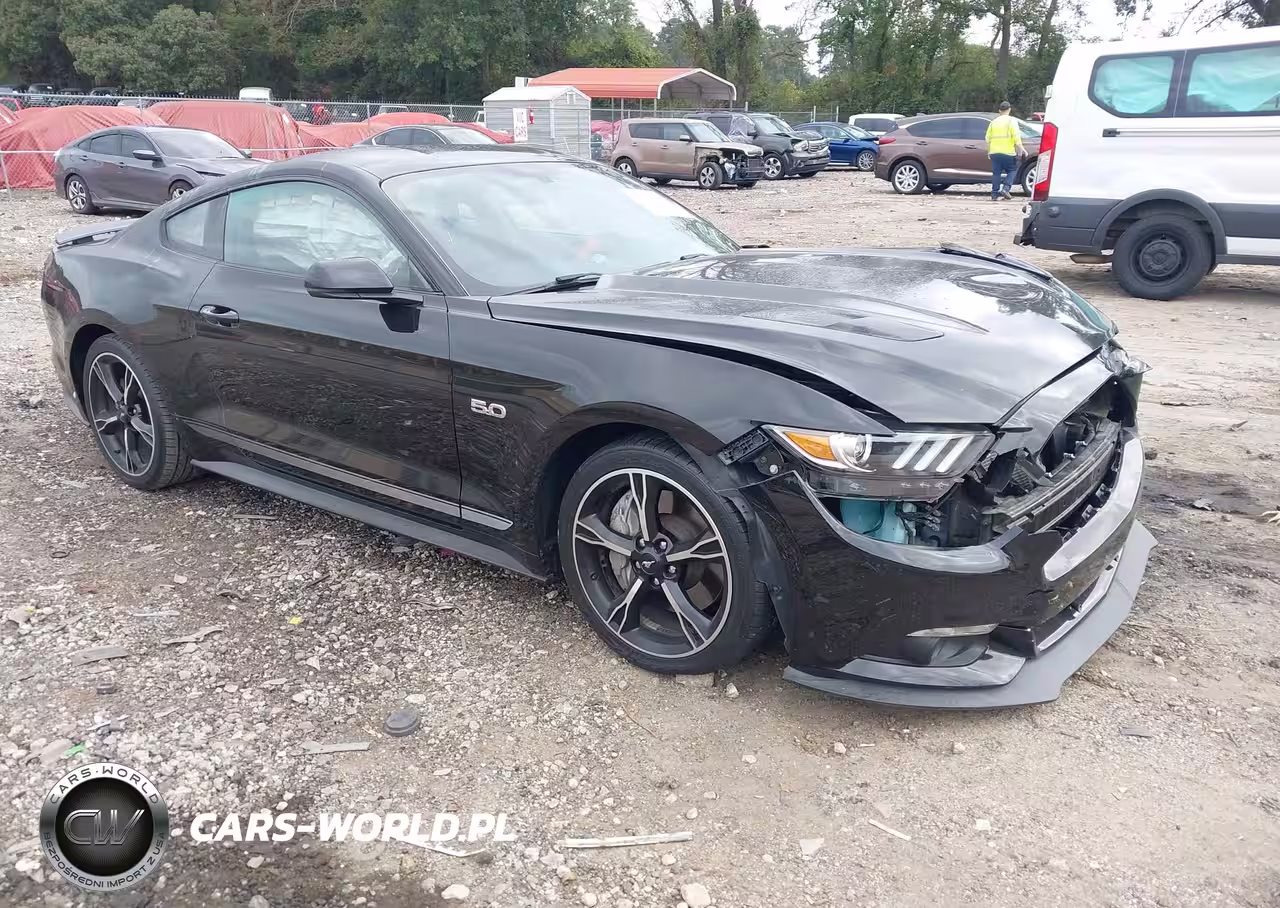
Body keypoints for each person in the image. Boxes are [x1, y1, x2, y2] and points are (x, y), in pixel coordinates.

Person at [986, 101, 1025, 201]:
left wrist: (989, 151)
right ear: (1009, 110)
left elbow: (987, 138)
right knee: (1012, 170)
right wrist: (1021, 148)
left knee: (996, 173)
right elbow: (1016, 136)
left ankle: (994, 194)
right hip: (1008, 152)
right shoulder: (1011, 121)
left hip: (994, 152)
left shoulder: (993, 122)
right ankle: (1006, 189)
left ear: (999, 111)